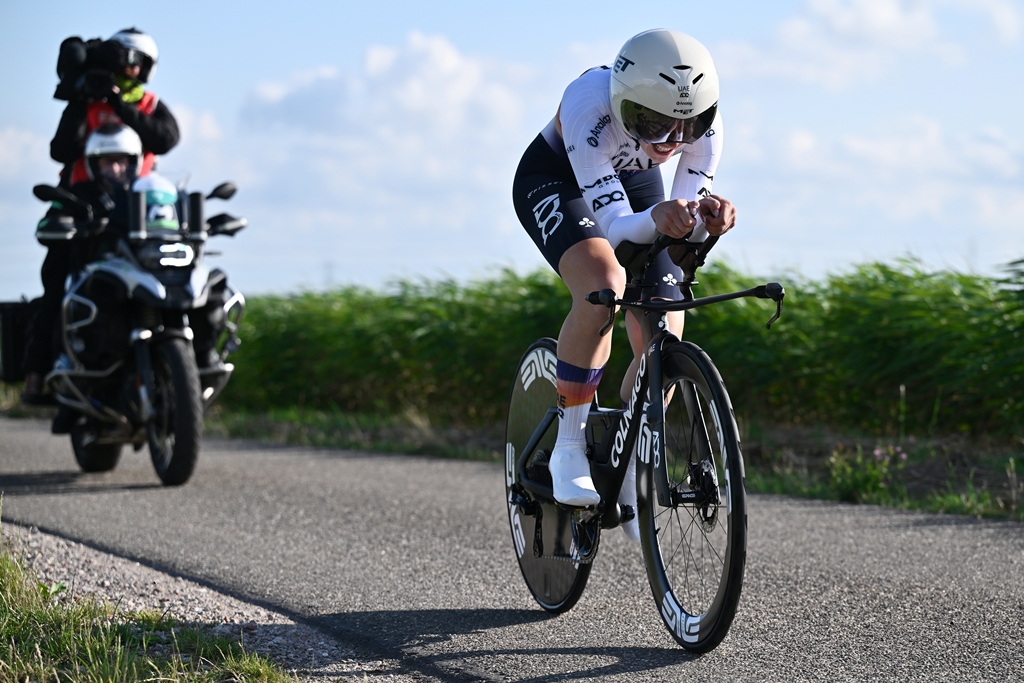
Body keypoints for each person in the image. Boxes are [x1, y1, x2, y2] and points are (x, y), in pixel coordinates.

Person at [511, 29, 737, 540]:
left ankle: (630, 461)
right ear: (621, 102)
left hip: (633, 184)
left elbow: (680, 239)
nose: (671, 141)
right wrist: (659, 218)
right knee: (605, 284)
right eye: (653, 123)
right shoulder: (587, 105)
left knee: (665, 327)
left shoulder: (707, 129)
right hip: (558, 178)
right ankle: (569, 445)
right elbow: (615, 231)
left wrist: (706, 223)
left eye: (686, 126)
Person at [22, 28, 179, 404]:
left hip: (139, 210)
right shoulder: (85, 100)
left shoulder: (148, 104)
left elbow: (165, 139)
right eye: (125, 62)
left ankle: (175, 367)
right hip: (82, 205)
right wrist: (84, 98)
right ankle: (37, 374)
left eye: (138, 64)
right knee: (57, 284)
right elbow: (61, 150)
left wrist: (120, 105)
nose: (131, 71)